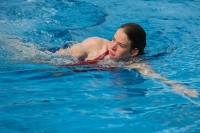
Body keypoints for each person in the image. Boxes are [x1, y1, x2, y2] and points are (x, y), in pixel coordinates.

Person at [56, 22, 198, 98]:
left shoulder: (135, 63)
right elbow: (58, 56)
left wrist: (177, 86)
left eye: (121, 45)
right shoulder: (94, 44)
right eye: (113, 39)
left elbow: (154, 76)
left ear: (134, 51)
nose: (112, 47)